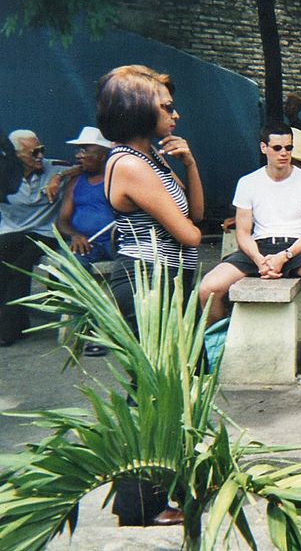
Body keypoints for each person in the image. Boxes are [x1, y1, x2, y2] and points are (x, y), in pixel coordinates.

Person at [97, 64, 205, 527]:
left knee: (178, 387)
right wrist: (191, 224)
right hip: (147, 285)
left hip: (168, 284)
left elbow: (198, 211)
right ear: (140, 111)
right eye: (165, 107)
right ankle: (140, 504)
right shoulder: (130, 165)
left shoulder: (154, 161)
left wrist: (190, 164)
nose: (175, 115)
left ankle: (173, 486)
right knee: (152, 394)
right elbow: (191, 233)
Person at [199, 125, 301, 367]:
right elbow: (243, 234)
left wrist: (284, 256)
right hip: (259, 247)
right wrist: (258, 259)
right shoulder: (248, 182)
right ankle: (215, 346)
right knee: (208, 287)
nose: (284, 153)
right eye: (277, 148)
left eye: (288, 147)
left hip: (297, 247)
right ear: (264, 148)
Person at [0, 130, 73, 347]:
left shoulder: (55, 167)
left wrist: (59, 177)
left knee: (20, 266)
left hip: (45, 233)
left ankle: (8, 330)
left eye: (42, 150)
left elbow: (89, 166)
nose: (40, 156)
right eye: (34, 153)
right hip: (12, 232)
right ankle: (14, 322)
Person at [57, 127, 116, 269]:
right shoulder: (75, 182)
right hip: (87, 245)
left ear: (101, 156)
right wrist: (75, 235)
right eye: (78, 150)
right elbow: (62, 220)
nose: (78, 155)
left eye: (84, 150)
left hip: (116, 244)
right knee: (72, 266)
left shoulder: (116, 179)